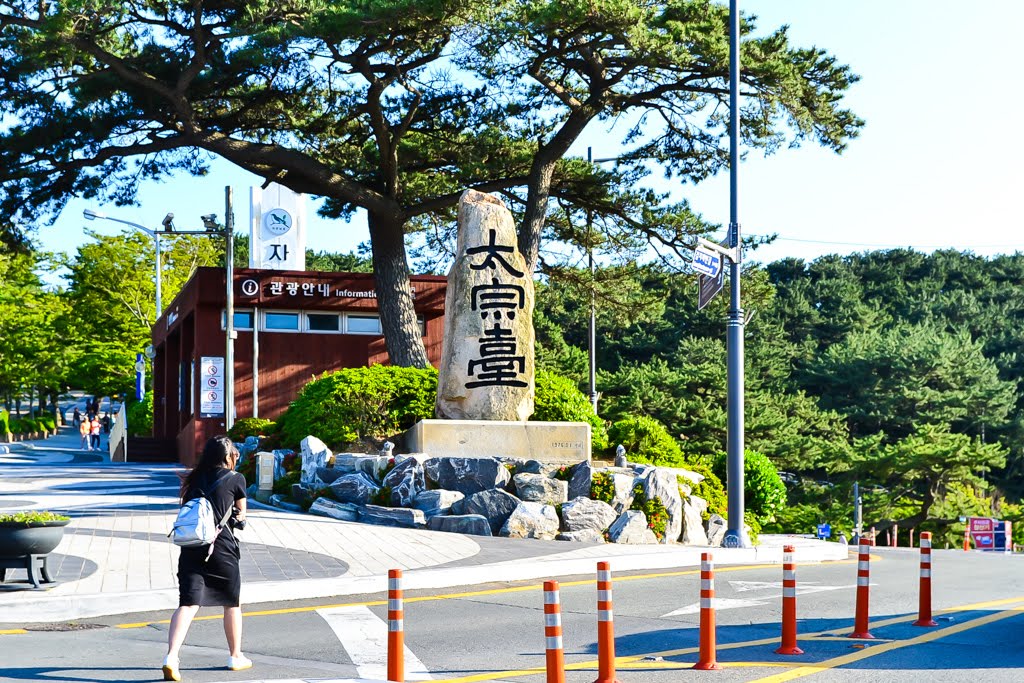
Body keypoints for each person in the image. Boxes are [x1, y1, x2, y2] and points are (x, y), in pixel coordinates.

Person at [162, 436, 250, 681]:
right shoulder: (236, 479)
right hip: (222, 549)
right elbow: (241, 517)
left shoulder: (193, 479)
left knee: (188, 604)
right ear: (226, 456)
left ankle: (171, 656)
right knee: (231, 603)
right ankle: (235, 656)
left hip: (192, 547)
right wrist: (236, 518)